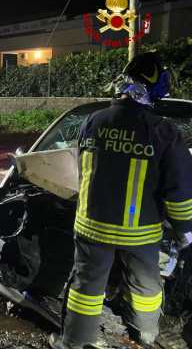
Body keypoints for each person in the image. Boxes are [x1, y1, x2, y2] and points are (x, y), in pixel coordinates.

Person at [50, 52, 192, 349]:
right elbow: (179, 192)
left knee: (86, 288)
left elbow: (83, 171)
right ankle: (146, 336)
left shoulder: (93, 121)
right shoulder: (164, 132)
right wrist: (184, 232)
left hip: (92, 227)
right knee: (146, 288)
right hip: (140, 234)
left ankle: (73, 342)